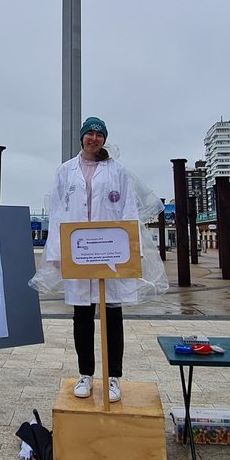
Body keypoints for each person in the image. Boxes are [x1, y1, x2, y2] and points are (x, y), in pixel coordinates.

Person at [39, 116, 167, 402]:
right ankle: (85, 374)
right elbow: (58, 214)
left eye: (99, 134)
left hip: (111, 253)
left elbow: (129, 210)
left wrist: (134, 250)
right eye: (90, 134)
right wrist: (57, 253)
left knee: (112, 314)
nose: (94, 138)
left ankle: (113, 377)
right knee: (82, 315)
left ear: (104, 139)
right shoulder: (64, 172)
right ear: (81, 137)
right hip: (79, 253)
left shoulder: (118, 171)